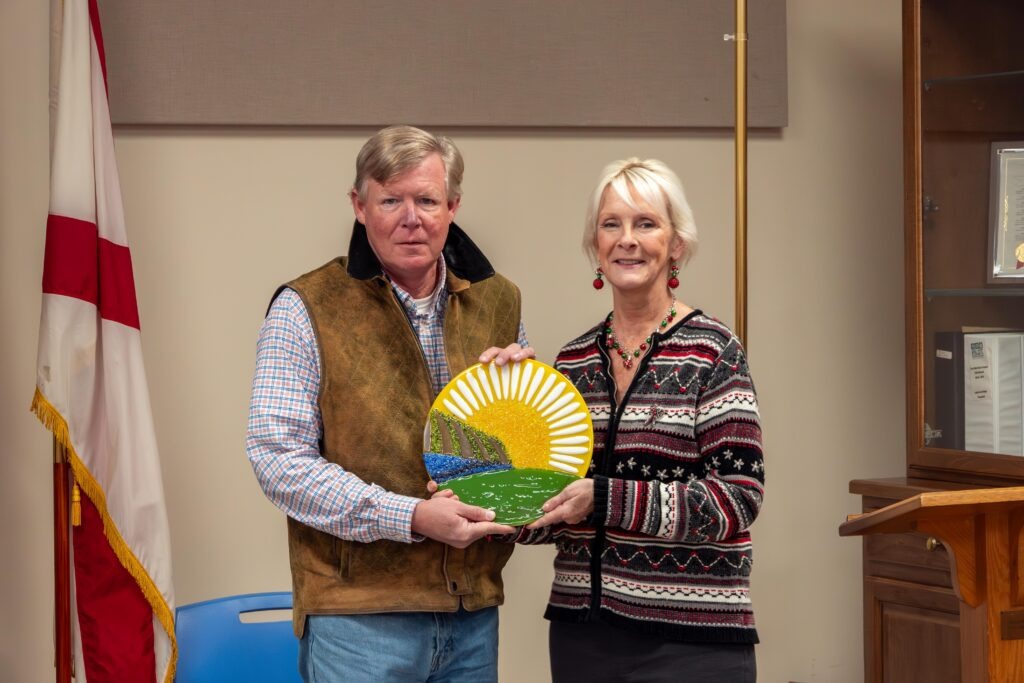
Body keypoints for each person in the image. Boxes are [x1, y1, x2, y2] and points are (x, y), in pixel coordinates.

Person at [245, 125, 533, 683]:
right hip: (358, 620)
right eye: (390, 200)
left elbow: (506, 459)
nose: (411, 217)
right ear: (359, 205)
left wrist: (521, 411)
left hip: (472, 613)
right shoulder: (306, 307)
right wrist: (412, 517)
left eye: (426, 200)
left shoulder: (501, 300)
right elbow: (277, 458)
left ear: (452, 206)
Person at [523, 158, 764, 682]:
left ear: (676, 243)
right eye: (611, 224)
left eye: (646, 223)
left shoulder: (713, 350)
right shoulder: (572, 361)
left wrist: (604, 497)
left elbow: (738, 498)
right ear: (596, 244)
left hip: (692, 641)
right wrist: (489, 498)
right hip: (581, 637)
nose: (627, 239)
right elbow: (558, 502)